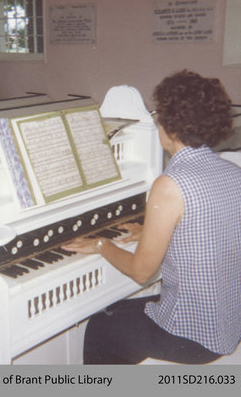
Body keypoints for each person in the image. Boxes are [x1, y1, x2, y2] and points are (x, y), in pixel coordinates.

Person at [62, 70, 241, 364]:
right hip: (227, 325)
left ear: (170, 125)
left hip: (191, 337)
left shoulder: (171, 183)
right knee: (117, 310)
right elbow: (206, 232)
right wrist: (150, 232)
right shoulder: (232, 172)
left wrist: (100, 245)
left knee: (100, 327)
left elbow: (141, 272)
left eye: (158, 115)